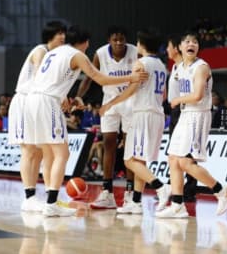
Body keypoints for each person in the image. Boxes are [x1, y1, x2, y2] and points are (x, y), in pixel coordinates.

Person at [24, 25, 148, 217]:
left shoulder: (53, 53)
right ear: (84, 42)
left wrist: (70, 98)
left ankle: (50, 198)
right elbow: (99, 78)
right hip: (47, 102)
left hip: (32, 101)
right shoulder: (77, 55)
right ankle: (51, 203)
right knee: (61, 154)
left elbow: (50, 80)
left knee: (48, 153)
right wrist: (131, 77)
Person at [156, 32, 227, 218]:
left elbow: (198, 95)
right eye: (187, 42)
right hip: (185, 114)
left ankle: (222, 190)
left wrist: (176, 100)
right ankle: (177, 205)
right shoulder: (179, 67)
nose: (191, 44)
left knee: (185, 162)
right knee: (173, 159)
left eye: (195, 42)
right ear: (180, 47)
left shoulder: (201, 67)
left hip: (198, 115)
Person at [98, 30, 172, 214]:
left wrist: (110, 104)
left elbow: (130, 90)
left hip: (142, 114)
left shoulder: (141, 63)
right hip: (157, 114)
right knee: (140, 160)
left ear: (142, 45)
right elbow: (164, 95)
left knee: (129, 160)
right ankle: (136, 202)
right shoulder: (162, 65)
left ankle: (161, 187)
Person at [8, 21, 67, 213]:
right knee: (28, 149)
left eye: (64, 33)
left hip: (36, 102)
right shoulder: (40, 51)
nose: (63, 37)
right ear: (50, 35)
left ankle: (37, 195)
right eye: (59, 33)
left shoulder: (53, 55)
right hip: (25, 100)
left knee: (40, 150)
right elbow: (44, 78)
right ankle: (28, 196)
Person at [77, 26, 138, 209]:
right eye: (115, 39)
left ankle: (129, 193)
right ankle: (107, 192)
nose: (119, 43)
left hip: (130, 101)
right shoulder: (100, 53)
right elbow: (88, 77)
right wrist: (80, 96)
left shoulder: (135, 52)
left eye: (122, 39)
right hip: (109, 101)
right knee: (108, 144)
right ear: (109, 40)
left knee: (129, 148)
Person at [166, 33, 198, 202]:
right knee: (175, 153)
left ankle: (190, 189)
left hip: (184, 110)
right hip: (174, 111)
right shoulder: (175, 67)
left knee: (187, 153)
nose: (166, 50)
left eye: (169, 47)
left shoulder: (188, 68)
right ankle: (176, 188)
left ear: (177, 48)